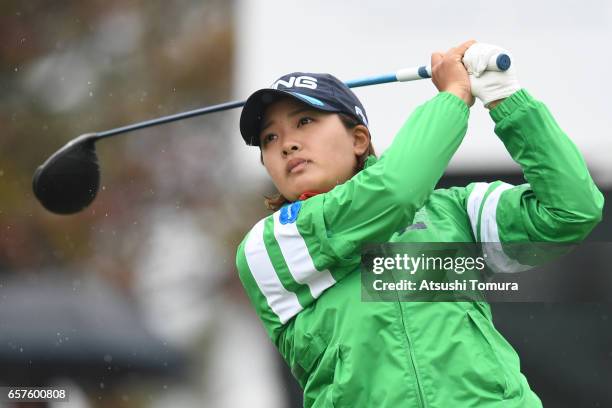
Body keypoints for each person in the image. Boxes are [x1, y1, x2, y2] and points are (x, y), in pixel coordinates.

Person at [235, 40, 604, 407]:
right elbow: (394, 191)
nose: (287, 145)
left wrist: (507, 99)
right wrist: (454, 96)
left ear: (359, 140)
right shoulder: (269, 248)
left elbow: (572, 211)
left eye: (304, 121)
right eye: (270, 138)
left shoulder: (453, 211)